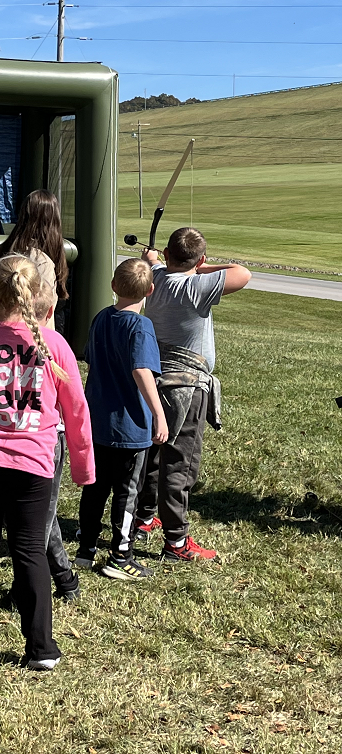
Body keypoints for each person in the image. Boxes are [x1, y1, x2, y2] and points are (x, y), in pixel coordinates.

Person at [0, 255, 94, 671]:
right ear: (40, 295)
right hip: (33, 465)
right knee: (29, 551)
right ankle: (40, 647)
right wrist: (84, 467)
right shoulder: (53, 345)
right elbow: (77, 413)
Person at [0, 190, 79, 600]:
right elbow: (45, 320)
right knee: (38, 504)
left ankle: (53, 578)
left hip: (1, 369)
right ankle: (55, 578)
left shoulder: (3, 253)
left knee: (28, 505)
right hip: (37, 371)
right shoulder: (44, 263)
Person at [135, 228, 251, 560]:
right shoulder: (196, 286)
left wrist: (155, 261)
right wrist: (202, 267)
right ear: (199, 260)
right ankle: (176, 542)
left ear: (167, 254)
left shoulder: (155, 278)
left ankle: (144, 518)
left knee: (152, 455)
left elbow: (155, 264)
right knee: (180, 464)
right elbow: (242, 273)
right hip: (186, 388)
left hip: (153, 383)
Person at [74, 259, 168, 580]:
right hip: (130, 428)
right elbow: (141, 370)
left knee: (95, 488)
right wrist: (159, 414)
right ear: (151, 290)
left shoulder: (101, 318)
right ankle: (120, 556)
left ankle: (86, 549)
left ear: (113, 285)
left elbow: (90, 358)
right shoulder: (140, 327)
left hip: (97, 423)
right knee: (127, 493)